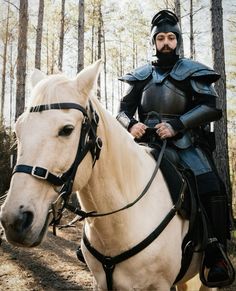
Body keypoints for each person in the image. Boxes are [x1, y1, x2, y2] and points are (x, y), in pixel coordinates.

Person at [116, 9, 234, 287]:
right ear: (154, 41)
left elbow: (210, 107)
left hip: (184, 144)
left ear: (177, 40)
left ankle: (215, 253)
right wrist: (131, 125)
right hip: (145, 145)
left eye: (171, 37)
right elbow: (122, 110)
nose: (166, 42)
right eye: (161, 38)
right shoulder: (141, 76)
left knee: (211, 184)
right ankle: (99, 242)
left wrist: (178, 125)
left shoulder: (192, 71)